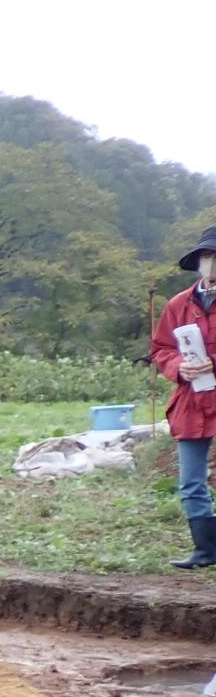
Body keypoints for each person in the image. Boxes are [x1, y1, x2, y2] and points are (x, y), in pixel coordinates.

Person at [151, 226, 216, 568]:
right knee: (191, 481)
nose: (212, 264)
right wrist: (179, 367)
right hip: (191, 402)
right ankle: (206, 552)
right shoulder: (179, 304)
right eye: (207, 257)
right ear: (198, 263)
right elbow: (161, 349)